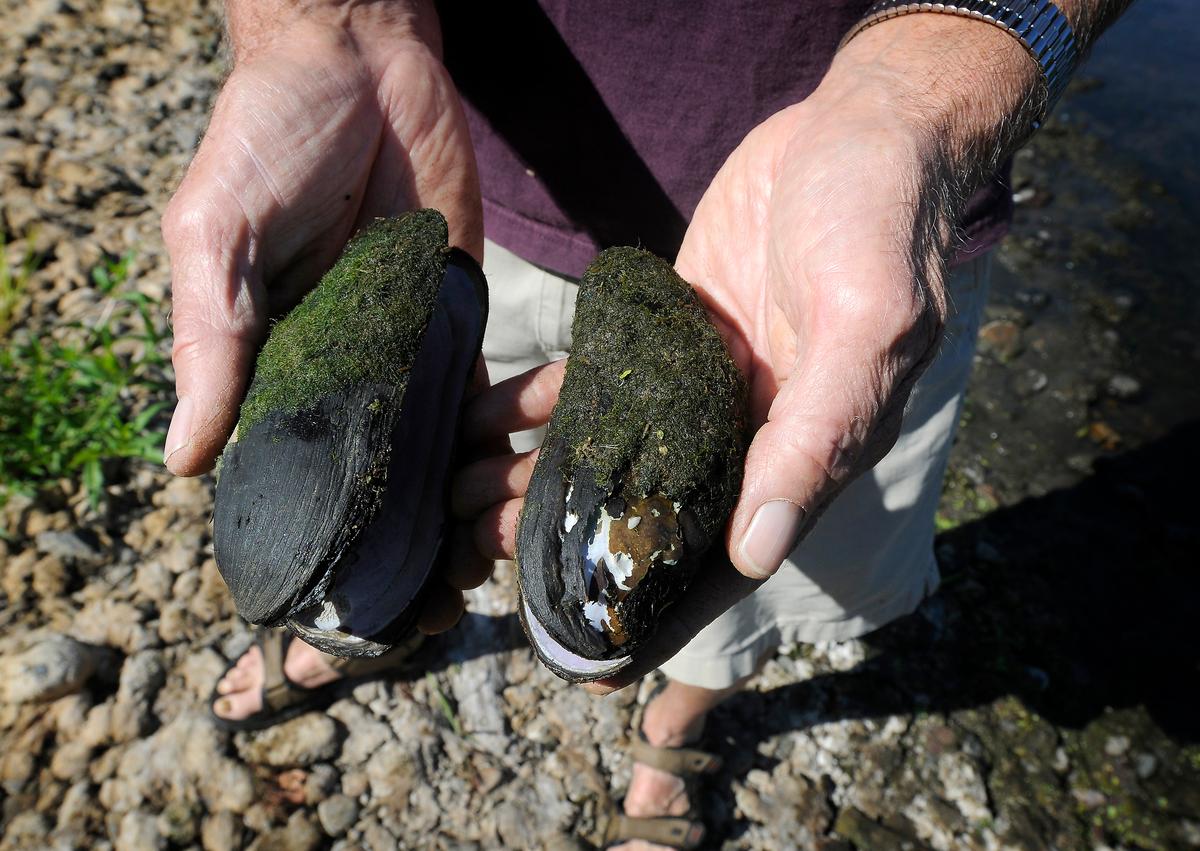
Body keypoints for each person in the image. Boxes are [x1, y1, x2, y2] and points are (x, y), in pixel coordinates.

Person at [161, 1, 1130, 847]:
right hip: (437, 163)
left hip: (843, 230)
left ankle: (680, 721)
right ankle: (359, 599)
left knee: (761, 533)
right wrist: (321, 19)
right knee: (440, 472)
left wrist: (932, 85)